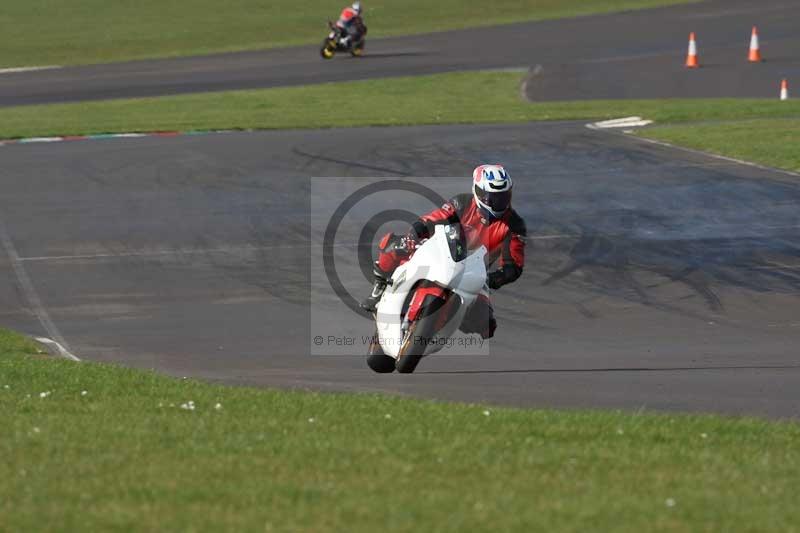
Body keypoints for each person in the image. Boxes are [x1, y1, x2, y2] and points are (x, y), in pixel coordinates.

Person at [362, 164, 526, 339]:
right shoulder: (462, 202)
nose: (498, 203)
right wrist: (414, 234)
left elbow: (513, 265)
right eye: (492, 197)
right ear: (478, 192)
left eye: (503, 197)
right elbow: (434, 219)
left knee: (486, 325)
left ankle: (441, 323)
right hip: (442, 252)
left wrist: (494, 278)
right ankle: (379, 287)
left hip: (474, 274)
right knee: (394, 244)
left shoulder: (514, 225)